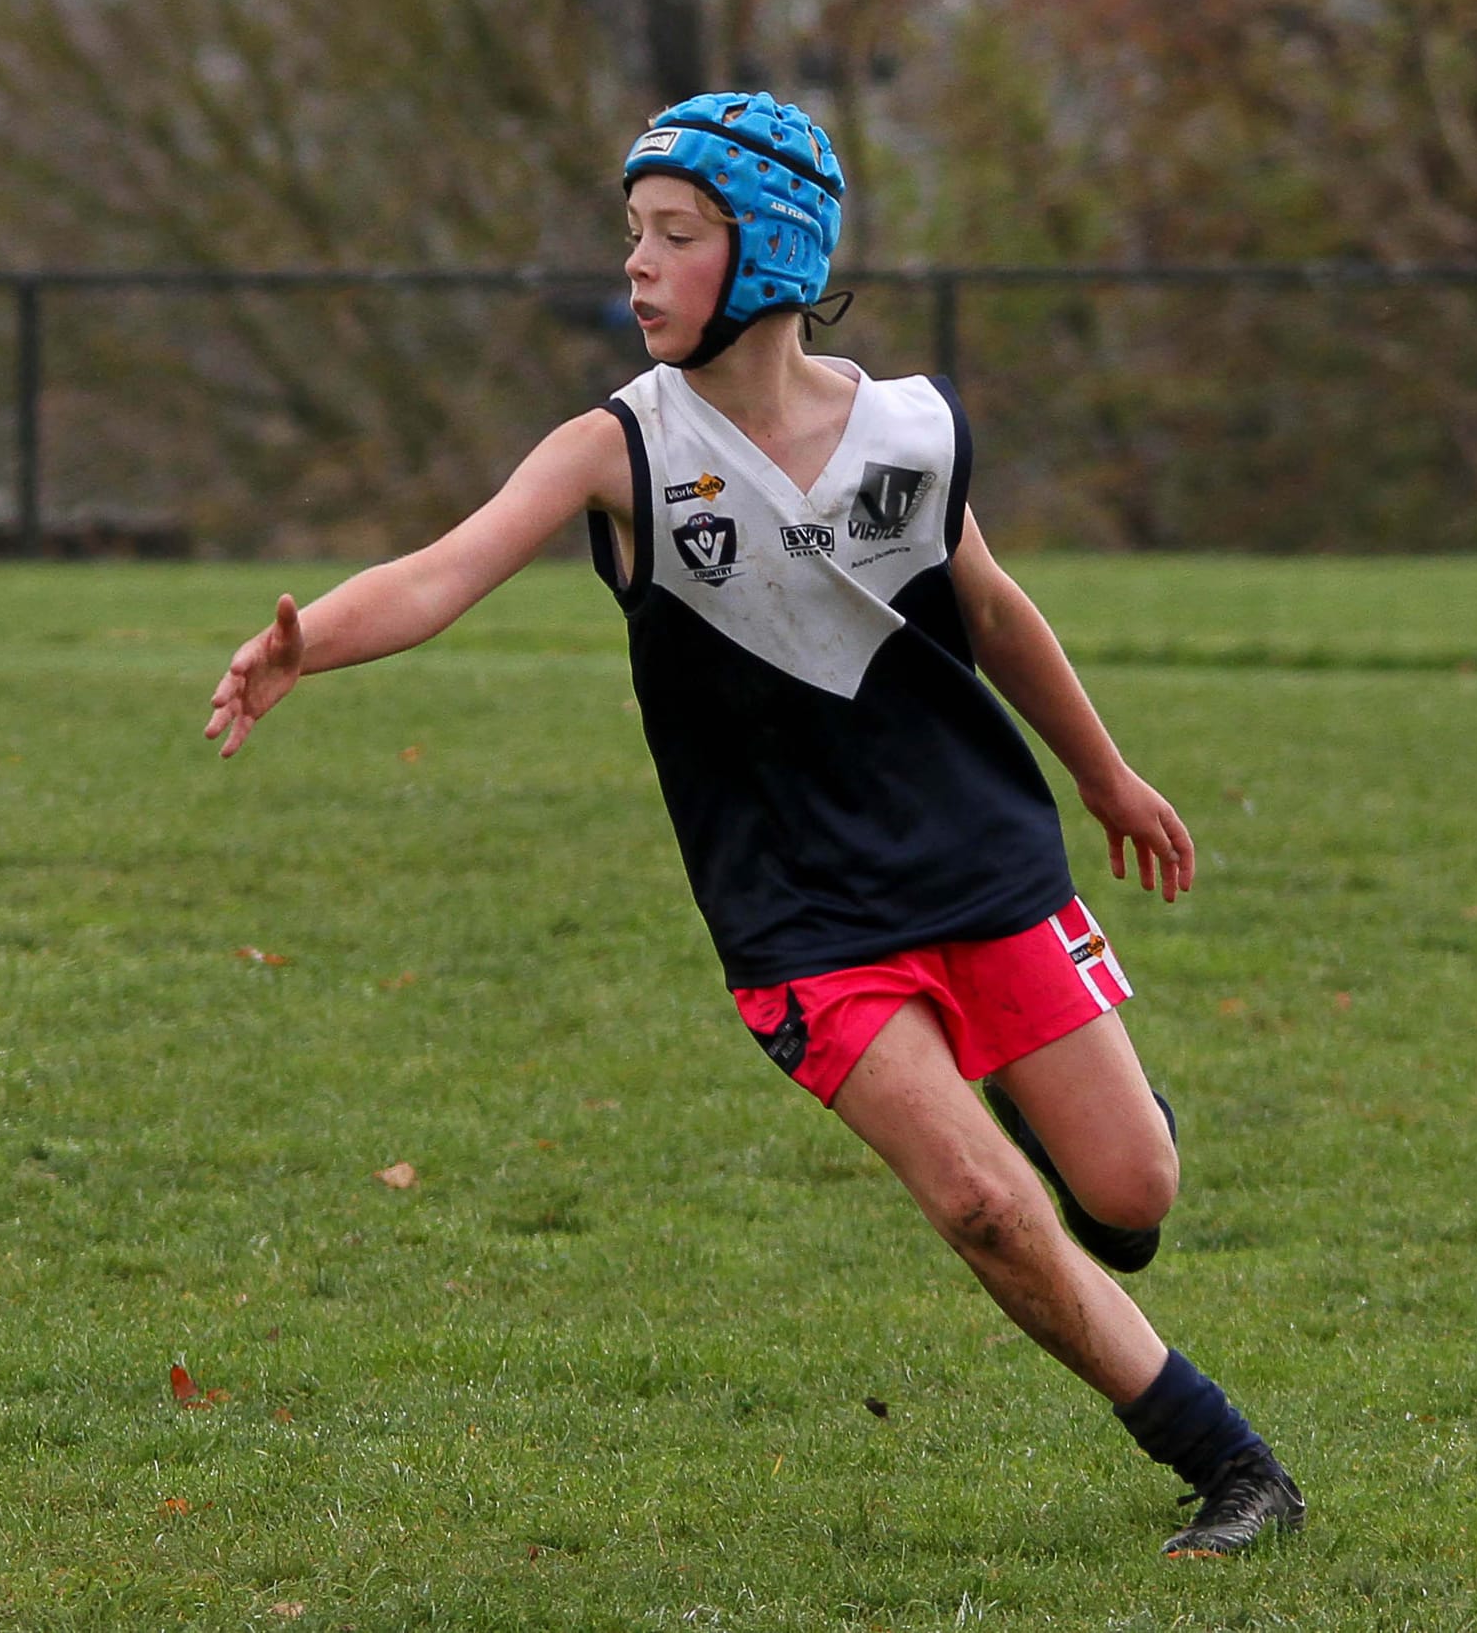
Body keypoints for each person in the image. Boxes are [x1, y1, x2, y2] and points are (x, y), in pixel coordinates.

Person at [205, 91, 1304, 1560]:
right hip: (797, 918)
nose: (638, 268)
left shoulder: (910, 431)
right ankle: (1235, 1467)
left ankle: (1078, 1142)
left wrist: (1105, 776)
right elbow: (445, 569)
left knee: (1131, 1190)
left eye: (674, 236)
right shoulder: (623, 450)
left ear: (771, 251)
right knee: (984, 1206)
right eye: (632, 237)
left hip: (980, 860)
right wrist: (305, 645)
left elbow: (991, 606)